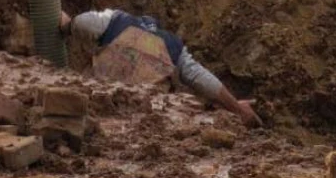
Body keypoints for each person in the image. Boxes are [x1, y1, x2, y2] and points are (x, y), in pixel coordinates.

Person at [58, 8, 259, 127]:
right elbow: (201, 79)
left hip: (101, 103)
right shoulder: (173, 44)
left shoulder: (116, 20)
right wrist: (237, 108)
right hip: (146, 114)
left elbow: (78, 23)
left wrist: (67, 24)